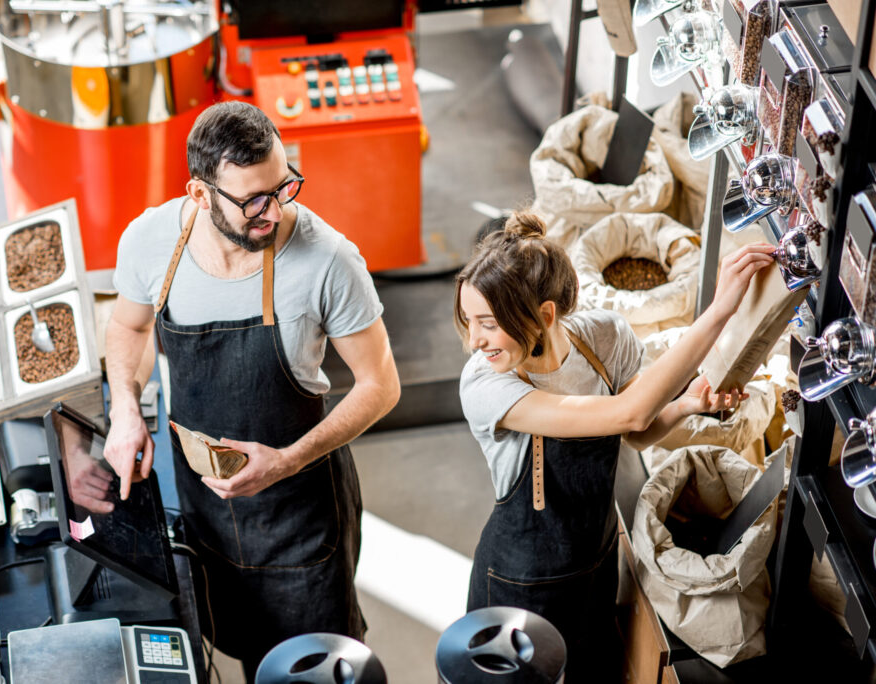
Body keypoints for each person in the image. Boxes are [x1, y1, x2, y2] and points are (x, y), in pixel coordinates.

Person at [103, 101, 401, 679]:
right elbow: (128, 327)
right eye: (253, 201)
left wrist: (287, 461)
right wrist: (124, 409)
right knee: (247, 650)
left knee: (315, 665)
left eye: (283, 187)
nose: (274, 211)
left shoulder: (328, 261)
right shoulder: (150, 241)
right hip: (207, 507)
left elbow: (381, 385)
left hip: (299, 516)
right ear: (200, 194)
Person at [456, 209, 773, 682]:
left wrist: (686, 405)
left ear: (544, 316)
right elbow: (631, 412)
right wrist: (720, 310)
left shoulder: (605, 337)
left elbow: (637, 433)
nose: (474, 340)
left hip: (597, 562)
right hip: (522, 580)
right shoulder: (486, 385)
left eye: (487, 323)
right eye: (469, 321)